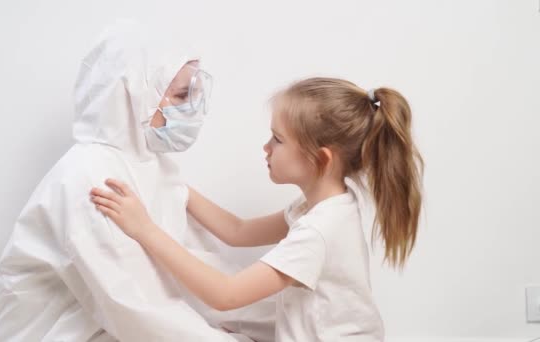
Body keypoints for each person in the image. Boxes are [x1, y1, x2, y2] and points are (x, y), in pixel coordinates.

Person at [0, 19, 273, 342]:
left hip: (113, 320)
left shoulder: (151, 165)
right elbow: (134, 307)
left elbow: (188, 264)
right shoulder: (90, 179)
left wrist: (273, 317)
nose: (194, 108)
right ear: (133, 95)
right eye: (182, 95)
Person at [91, 77, 424, 341]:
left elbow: (225, 295)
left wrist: (145, 229)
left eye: (277, 140)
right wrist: (175, 187)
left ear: (320, 158)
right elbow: (239, 232)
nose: (266, 148)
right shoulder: (323, 205)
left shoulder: (319, 231)